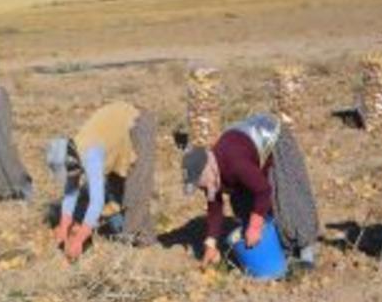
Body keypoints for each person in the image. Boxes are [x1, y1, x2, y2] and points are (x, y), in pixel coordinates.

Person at [181, 113, 319, 269]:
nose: (203, 189)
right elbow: (215, 207)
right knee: (243, 203)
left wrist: (255, 226)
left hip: (273, 139)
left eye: (201, 185)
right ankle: (277, 244)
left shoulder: (234, 163)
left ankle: (306, 252)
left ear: (207, 173)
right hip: (246, 153)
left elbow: (263, 191)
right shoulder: (211, 177)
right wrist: (210, 243)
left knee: (288, 197)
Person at [46, 101, 157, 260]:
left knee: (136, 190)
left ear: (71, 162)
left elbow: (96, 202)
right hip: (115, 137)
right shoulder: (72, 156)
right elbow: (70, 193)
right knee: (116, 190)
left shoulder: (90, 155)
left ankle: (140, 248)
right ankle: (135, 234)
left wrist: (79, 239)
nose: (70, 177)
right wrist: (63, 229)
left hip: (137, 123)